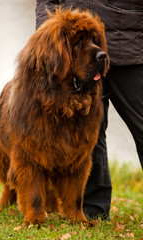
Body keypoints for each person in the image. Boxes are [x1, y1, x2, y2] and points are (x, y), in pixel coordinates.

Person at [35, 0, 143, 220]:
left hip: (127, 47)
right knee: (85, 134)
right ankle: (92, 209)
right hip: (74, 57)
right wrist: (47, 35)